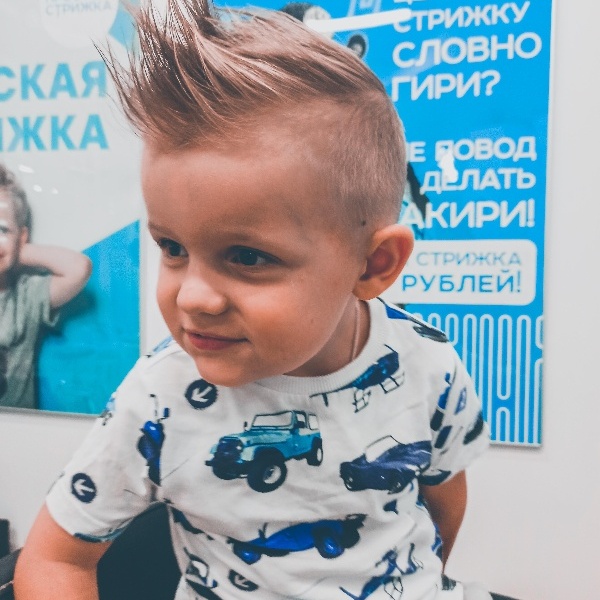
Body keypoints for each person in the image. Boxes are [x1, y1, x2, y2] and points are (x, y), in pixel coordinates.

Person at [14, 1, 490, 598]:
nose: (193, 297)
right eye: (172, 247)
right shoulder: (160, 396)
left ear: (373, 265)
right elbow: (55, 561)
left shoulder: (428, 364)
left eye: (247, 256)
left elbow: (442, 502)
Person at [0, 163, 92, 410]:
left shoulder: (27, 295)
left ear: (22, 237)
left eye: (2, 229)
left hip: (18, 426)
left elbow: (79, 268)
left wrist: (13, 251)